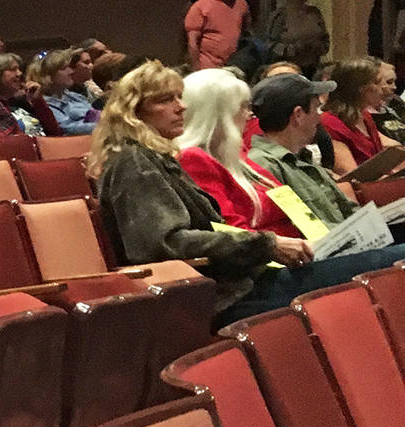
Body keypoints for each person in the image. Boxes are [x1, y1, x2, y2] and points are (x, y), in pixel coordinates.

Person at [90, 61, 405, 324]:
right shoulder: (133, 162)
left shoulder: (152, 158)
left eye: (179, 97)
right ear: (134, 112)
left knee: (391, 259)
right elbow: (167, 242)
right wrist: (267, 244)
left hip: (246, 282)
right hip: (232, 296)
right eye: (165, 100)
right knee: (395, 259)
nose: (181, 106)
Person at [247, 72, 371, 238]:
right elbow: (297, 229)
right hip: (326, 254)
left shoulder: (304, 158)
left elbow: (349, 210)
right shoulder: (264, 165)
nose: (320, 116)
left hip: (352, 242)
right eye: (316, 108)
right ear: (298, 115)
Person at [175, 69, 294, 234]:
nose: (249, 114)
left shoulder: (236, 154)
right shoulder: (192, 159)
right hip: (269, 256)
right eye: (243, 106)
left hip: (304, 248)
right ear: (218, 115)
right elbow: (231, 231)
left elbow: (292, 207)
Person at [319, 57, 399, 171]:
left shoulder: (364, 115)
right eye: (377, 83)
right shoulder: (329, 122)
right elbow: (351, 175)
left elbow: (389, 150)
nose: (383, 88)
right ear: (360, 88)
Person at [183, 0, 248, 69]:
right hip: (210, 69)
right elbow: (193, 44)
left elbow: (247, 34)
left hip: (237, 67)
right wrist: (197, 70)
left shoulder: (241, 4)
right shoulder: (199, 7)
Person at [0, 53, 61, 135]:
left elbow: (55, 131)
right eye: (13, 69)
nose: (19, 73)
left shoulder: (24, 102)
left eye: (19, 69)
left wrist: (37, 100)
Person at [33, 49, 98, 134]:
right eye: (64, 68)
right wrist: (105, 126)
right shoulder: (45, 104)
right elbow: (66, 128)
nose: (71, 71)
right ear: (48, 75)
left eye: (69, 67)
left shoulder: (74, 96)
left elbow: (96, 115)